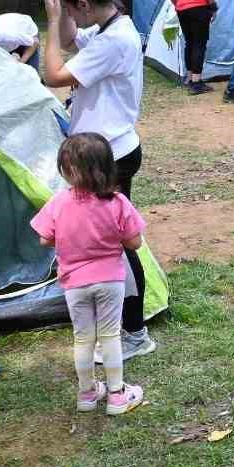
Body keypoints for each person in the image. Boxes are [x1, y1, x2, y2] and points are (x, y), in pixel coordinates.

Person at [43, 0, 155, 361]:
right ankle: (123, 328)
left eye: (73, 9)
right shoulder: (111, 26)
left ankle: (135, 332)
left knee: (119, 247)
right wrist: (61, 16)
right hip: (107, 151)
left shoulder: (115, 41)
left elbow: (54, 74)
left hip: (110, 158)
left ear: (86, 5)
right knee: (112, 244)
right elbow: (74, 43)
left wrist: (52, 22)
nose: (70, 16)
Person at [31, 133, 148, 416]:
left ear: (67, 171)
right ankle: (118, 396)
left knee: (83, 338)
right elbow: (135, 243)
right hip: (110, 281)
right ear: (108, 167)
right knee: (109, 336)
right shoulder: (118, 202)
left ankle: (87, 394)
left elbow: (44, 239)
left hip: (74, 283)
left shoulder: (59, 203)